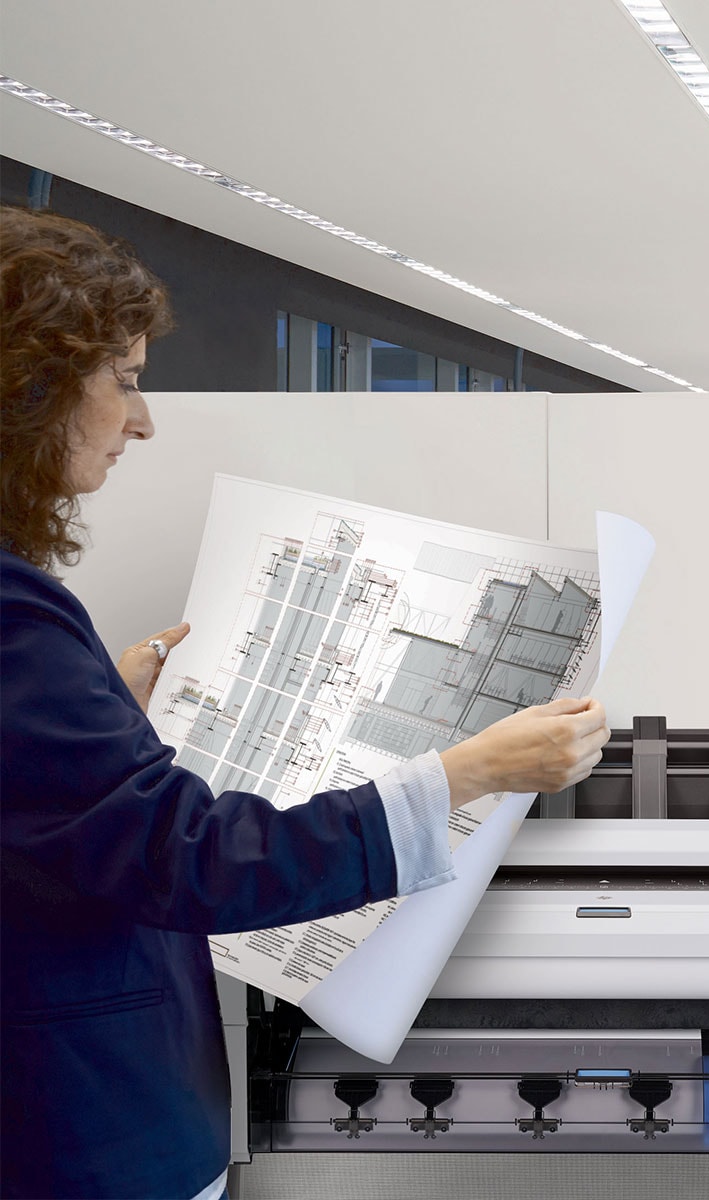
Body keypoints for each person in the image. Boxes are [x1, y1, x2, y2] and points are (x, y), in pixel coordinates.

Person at [0, 208, 611, 1200]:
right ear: (27, 387)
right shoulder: (13, 618)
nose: (141, 421)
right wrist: (469, 772)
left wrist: (93, 710)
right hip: (74, 1132)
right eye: (125, 380)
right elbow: (196, 859)